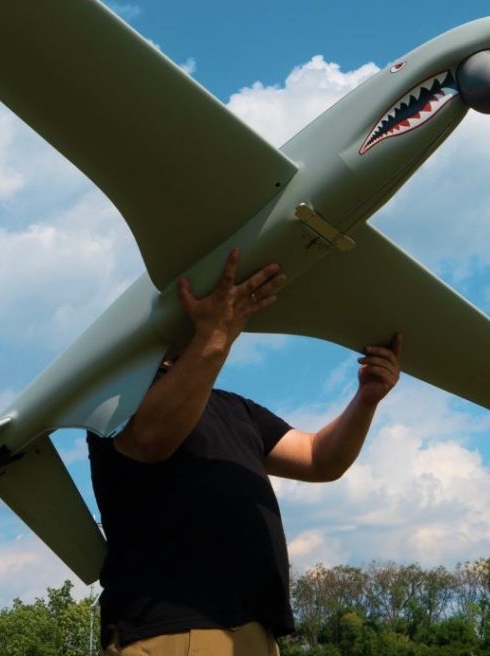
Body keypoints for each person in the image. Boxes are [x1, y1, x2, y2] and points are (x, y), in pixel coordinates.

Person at [87, 248, 402, 656]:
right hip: (172, 632)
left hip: (254, 634)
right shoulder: (119, 397)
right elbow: (152, 439)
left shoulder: (236, 408)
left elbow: (318, 459)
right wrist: (215, 335)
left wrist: (366, 399)